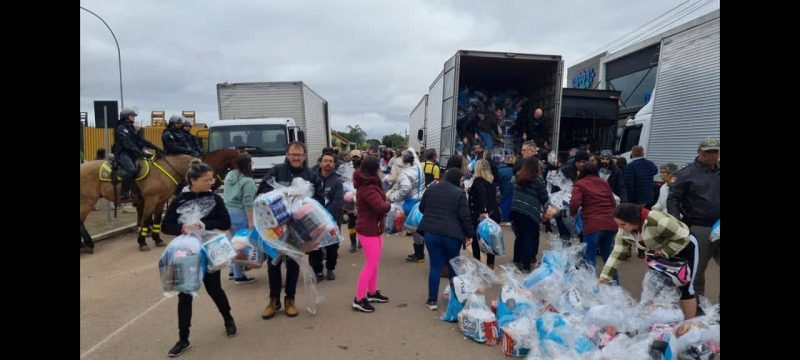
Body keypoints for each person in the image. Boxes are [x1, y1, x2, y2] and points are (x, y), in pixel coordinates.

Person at [161, 160, 236, 357]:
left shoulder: (214, 199)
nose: (211, 183)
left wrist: (204, 225)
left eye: (211, 179)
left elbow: (225, 222)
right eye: (206, 180)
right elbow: (165, 226)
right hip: (186, 252)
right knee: (184, 293)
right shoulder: (180, 200)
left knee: (214, 288)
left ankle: (228, 319)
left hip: (209, 248)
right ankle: (183, 339)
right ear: (193, 180)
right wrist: (183, 228)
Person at [257, 142, 324, 319]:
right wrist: (284, 194)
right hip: (276, 227)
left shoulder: (311, 175)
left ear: (304, 156)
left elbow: (319, 201)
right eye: (292, 154)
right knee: (274, 263)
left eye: (299, 154)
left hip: (298, 229)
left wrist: (305, 198)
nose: (295, 157)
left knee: (294, 263)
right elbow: (262, 191)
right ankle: (273, 300)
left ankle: (290, 300)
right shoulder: (277, 171)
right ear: (286, 155)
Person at [599, 203, 699, 319]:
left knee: (685, 287)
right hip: (657, 253)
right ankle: (660, 324)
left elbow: (683, 237)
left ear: (633, 220)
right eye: (618, 225)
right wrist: (605, 276)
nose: (620, 228)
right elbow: (617, 253)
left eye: (623, 224)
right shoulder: (624, 232)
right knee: (656, 287)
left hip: (684, 248)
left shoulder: (657, 220)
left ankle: (689, 324)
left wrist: (664, 252)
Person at [667, 137, 720, 298]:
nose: (712, 155)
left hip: (719, 226)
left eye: (715, 151)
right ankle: (697, 308)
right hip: (699, 227)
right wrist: (677, 223)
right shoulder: (686, 173)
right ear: (699, 152)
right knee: (696, 270)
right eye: (707, 152)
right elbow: (673, 199)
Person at [417, 168, 474, 310]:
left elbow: (422, 208)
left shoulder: (431, 188)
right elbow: (465, 216)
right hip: (452, 235)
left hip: (431, 232)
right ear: (456, 179)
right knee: (453, 266)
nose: (462, 183)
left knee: (435, 266)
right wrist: (470, 234)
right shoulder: (460, 193)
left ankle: (432, 301)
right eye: (461, 180)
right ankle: (455, 300)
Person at [351, 156, 392, 313]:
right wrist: (388, 202)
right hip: (368, 229)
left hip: (372, 228)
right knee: (370, 265)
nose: (381, 169)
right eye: (378, 167)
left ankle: (372, 292)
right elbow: (381, 207)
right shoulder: (368, 187)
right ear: (374, 169)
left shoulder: (369, 184)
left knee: (374, 263)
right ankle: (358, 298)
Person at [569, 161, 619, 281]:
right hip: (610, 223)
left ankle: (590, 286)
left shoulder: (580, 184)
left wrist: (572, 214)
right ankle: (615, 285)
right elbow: (613, 202)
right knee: (608, 257)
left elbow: (575, 202)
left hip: (593, 224)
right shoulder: (603, 182)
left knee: (590, 256)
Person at [309, 151, 345, 282]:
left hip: (332, 220)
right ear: (320, 163)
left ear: (334, 164)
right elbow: (309, 197)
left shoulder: (337, 181)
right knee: (315, 247)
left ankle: (330, 269)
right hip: (314, 221)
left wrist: (324, 215)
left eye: (331, 161)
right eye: (326, 161)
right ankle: (318, 271)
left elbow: (337, 201)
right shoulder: (312, 178)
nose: (328, 163)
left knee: (332, 247)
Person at [223, 153, 258, 284]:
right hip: (240, 215)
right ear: (248, 164)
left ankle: (232, 270)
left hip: (227, 213)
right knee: (240, 246)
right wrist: (250, 221)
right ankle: (239, 275)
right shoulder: (248, 181)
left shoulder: (229, 175)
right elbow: (248, 203)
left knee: (232, 243)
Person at [511, 156, 549, 272]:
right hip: (530, 213)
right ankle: (526, 266)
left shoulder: (517, 177)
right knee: (529, 238)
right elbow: (544, 198)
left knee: (519, 237)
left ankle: (516, 260)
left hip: (515, 210)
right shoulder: (538, 180)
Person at [112, 108, 159, 201]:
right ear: (125, 117)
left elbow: (141, 140)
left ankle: (136, 191)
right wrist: (140, 152)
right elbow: (127, 143)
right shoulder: (121, 128)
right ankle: (124, 193)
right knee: (132, 170)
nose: (133, 118)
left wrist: (155, 147)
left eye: (133, 116)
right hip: (122, 153)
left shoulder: (131, 128)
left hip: (132, 153)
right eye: (131, 116)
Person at [387, 150, 425, 262]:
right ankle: (419, 253)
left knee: (415, 229)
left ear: (403, 159)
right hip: (421, 200)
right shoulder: (418, 168)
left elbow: (405, 189)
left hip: (410, 202)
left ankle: (419, 255)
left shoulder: (405, 172)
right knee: (417, 228)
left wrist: (392, 196)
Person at [469, 159, 500, 269]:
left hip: (480, 216)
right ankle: (490, 266)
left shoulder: (478, 182)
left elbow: (482, 195)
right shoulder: (491, 182)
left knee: (477, 242)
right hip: (493, 215)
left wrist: (483, 211)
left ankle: (477, 266)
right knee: (490, 241)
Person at [345, 149, 363, 253]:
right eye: (353, 157)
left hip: (361, 197)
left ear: (360, 157)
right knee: (351, 221)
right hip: (350, 198)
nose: (355, 159)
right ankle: (353, 243)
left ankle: (361, 239)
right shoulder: (346, 168)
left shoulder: (365, 169)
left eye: (357, 157)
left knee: (361, 221)